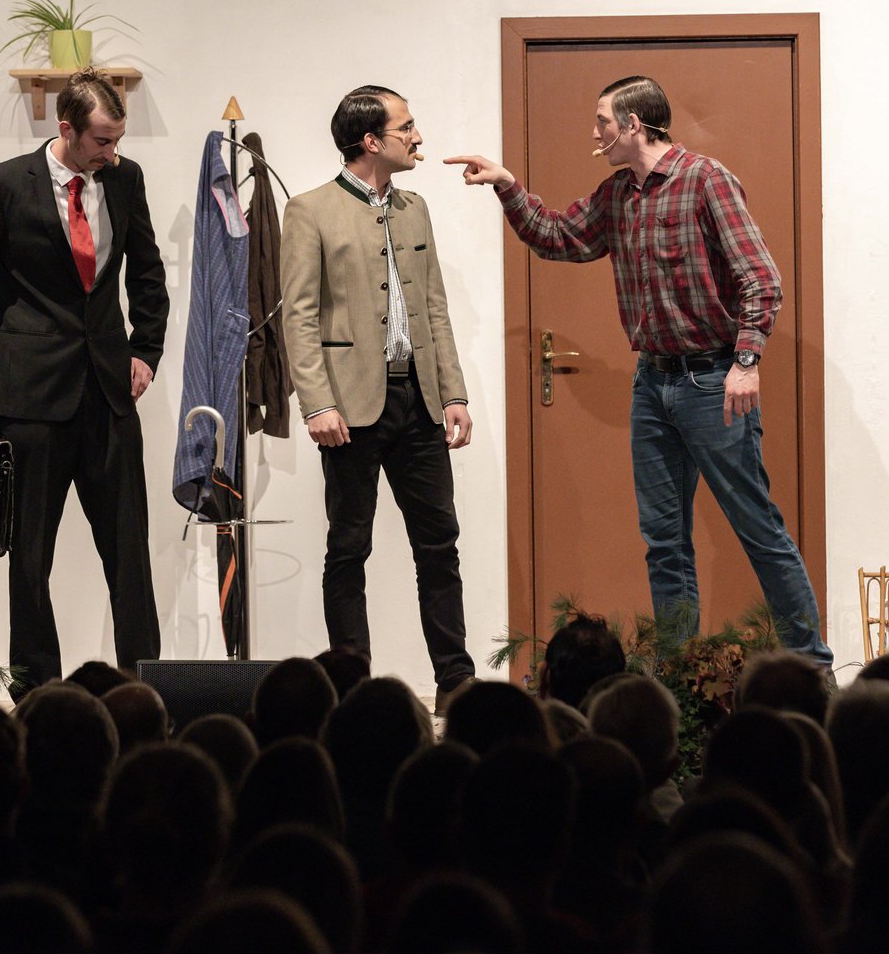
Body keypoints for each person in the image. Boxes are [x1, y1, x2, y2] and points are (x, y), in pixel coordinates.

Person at [447, 75, 830, 666]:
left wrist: (746, 362)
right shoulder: (617, 194)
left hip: (712, 381)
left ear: (633, 124)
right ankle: (681, 675)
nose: (594, 132)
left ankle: (813, 668)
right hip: (652, 383)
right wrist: (507, 186)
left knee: (759, 529)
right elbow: (557, 237)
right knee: (664, 542)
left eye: (602, 120)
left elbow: (761, 278)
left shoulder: (705, 180)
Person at [0, 67, 169, 695]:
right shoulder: (2, 185)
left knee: (130, 554)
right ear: (66, 129)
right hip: (31, 397)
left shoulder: (124, 179)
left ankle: (142, 690)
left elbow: (147, 274)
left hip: (109, 395)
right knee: (30, 558)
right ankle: (38, 695)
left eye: (118, 139)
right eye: (101, 140)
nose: (112, 152)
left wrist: (146, 350)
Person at [280, 85, 476, 712]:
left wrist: (453, 392)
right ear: (371, 140)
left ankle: (455, 681)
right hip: (349, 407)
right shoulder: (310, 210)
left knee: (439, 545)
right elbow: (299, 317)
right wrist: (316, 402)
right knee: (348, 548)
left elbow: (434, 307)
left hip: (418, 401)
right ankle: (352, 687)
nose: (418, 137)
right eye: (406, 127)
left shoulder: (416, 208)